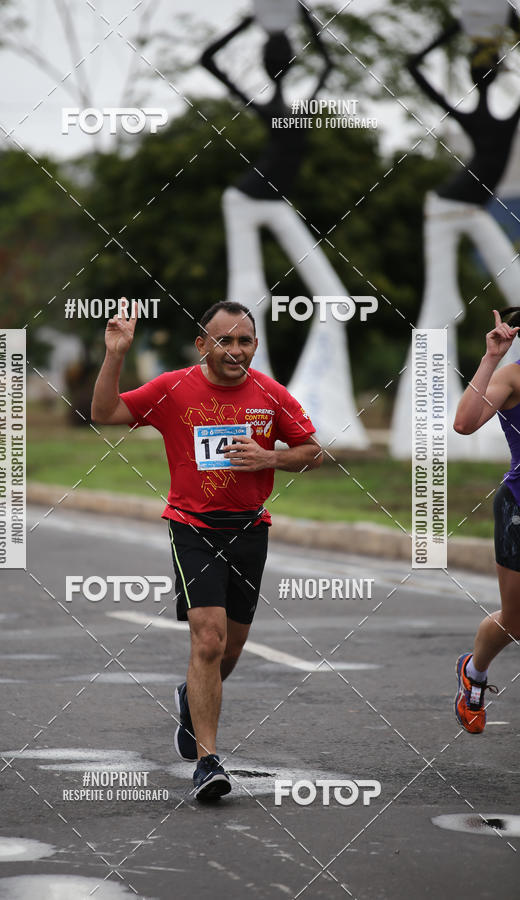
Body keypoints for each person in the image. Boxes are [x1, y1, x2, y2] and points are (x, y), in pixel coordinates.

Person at [91, 300, 323, 799]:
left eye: (244, 341)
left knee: (230, 650)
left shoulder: (270, 394)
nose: (235, 350)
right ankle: (208, 761)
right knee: (208, 640)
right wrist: (115, 354)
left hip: (249, 529)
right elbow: (104, 412)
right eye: (225, 340)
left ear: (255, 345)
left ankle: (188, 698)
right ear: (203, 345)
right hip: (192, 526)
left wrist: (269, 456)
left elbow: (312, 452)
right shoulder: (174, 387)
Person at [199, 12, 369, 449]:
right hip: (243, 199)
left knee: (335, 298)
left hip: (275, 201)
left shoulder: (300, 103)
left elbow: (329, 64)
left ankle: (311, 407)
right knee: (250, 297)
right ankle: (248, 408)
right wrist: (249, 21)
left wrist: (302, 13)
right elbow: (209, 60)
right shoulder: (267, 104)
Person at [391, 15, 520, 459]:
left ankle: (500, 403)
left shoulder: (482, 113)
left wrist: (468, 30)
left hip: (471, 208)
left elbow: (414, 67)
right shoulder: (490, 114)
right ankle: (423, 425)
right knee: (440, 306)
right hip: (445, 211)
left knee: (516, 290)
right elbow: (412, 67)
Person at [453, 308, 520, 732]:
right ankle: (474, 674)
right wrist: (491, 357)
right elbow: (464, 423)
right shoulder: (513, 377)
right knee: (515, 620)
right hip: (518, 507)